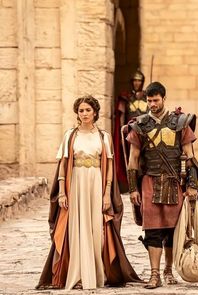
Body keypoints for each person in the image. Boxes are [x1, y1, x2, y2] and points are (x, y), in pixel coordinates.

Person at [36, 95, 140, 290]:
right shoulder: (70, 135)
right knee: (76, 227)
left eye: (87, 110)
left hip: (96, 183)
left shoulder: (103, 137)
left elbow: (109, 165)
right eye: (81, 110)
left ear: (95, 113)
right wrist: (62, 193)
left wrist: (107, 193)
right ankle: (77, 275)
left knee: (95, 229)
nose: (84, 114)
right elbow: (64, 163)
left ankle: (95, 272)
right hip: (76, 183)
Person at [126, 82, 198, 289]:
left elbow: (190, 157)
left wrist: (192, 185)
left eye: (155, 100)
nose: (152, 104)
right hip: (150, 182)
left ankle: (168, 271)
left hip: (175, 183)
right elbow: (133, 159)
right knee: (152, 230)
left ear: (163, 98)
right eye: (149, 101)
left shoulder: (180, 122)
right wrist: (133, 188)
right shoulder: (139, 126)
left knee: (172, 231)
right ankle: (154, 275)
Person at [113, 69, 147, 193]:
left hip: (145, 134)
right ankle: (132, 187)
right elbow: (121, 117)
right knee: (131, 160)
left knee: (145, 160)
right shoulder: (127, 98)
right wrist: (121, 134)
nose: (137, 83)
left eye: (139, 81)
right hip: (130, 134)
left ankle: (143, 185)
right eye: (135, 81)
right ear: (132, 82)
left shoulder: (147, 98)